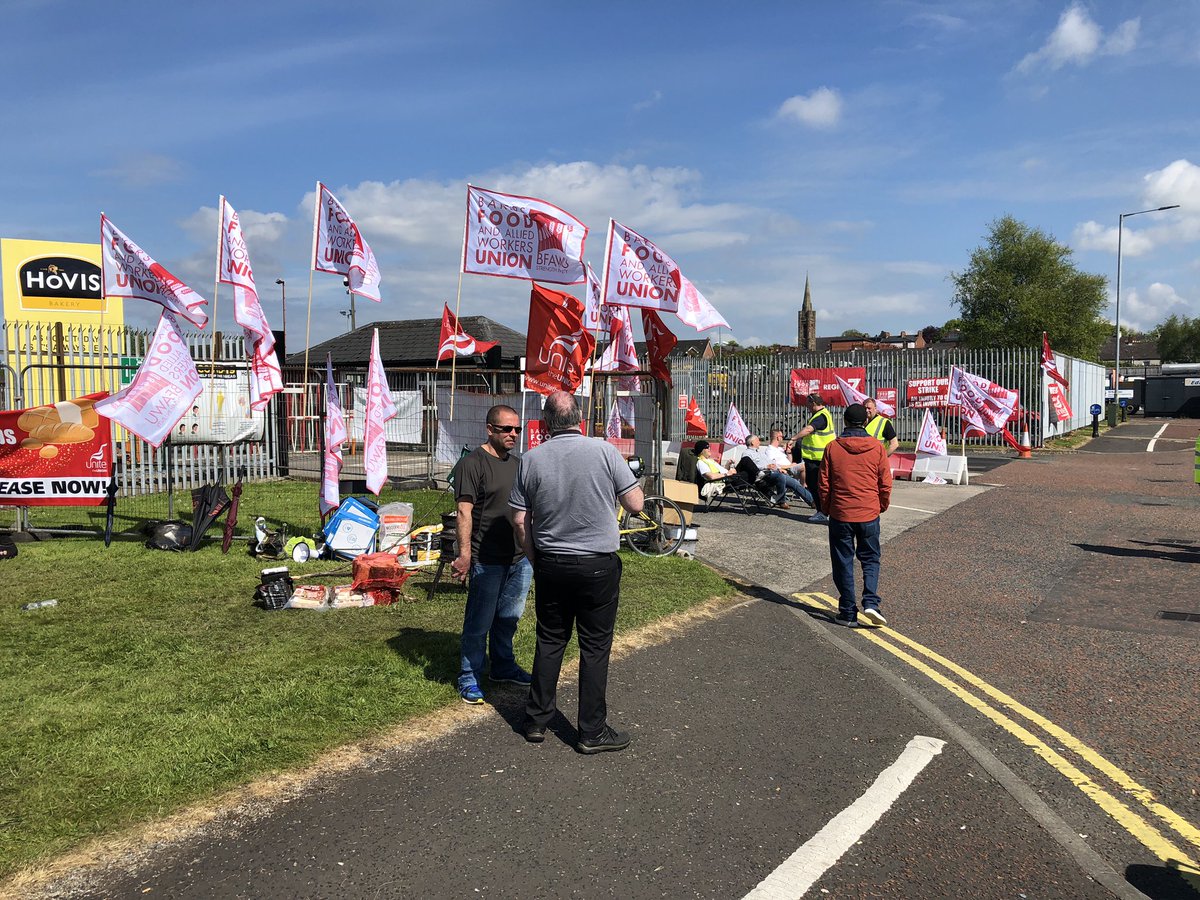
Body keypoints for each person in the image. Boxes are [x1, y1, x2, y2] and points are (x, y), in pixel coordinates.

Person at [510, 391, 644, 753]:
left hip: (552, 562)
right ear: (580, 418)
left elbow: (520, 520)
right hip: (597, 563)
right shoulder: (605, 451)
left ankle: (536, 719)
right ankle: (591, 731)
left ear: (545, 423)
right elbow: (635, 503)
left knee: (550, 639)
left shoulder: (531, 459)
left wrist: (535, 559)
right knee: (595, 646)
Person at [451, 404, 533, 705]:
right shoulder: (472, 464)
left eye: (517, 429)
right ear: (490, 429)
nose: (513, 434)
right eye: (506, 429)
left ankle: (503, 666)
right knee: (479, 623)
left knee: (509, 618)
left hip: (519, 558)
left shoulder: (518, 464)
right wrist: (464, 555)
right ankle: (469, 676)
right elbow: (463, 511)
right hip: (486, 558)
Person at [818, 403, 892, 628]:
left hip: (841, 512)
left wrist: (827, 508)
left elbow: (824, 484)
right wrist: (881, 505)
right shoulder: (877, 447)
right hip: (869, 511)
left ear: (845, 421)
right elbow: (885, 482)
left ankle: (848, 612)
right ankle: (871, 602)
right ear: (865, 422)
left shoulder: (832, 448)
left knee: (843, 561)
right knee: (870, 558)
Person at [790, 393, 835, 523]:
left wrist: (794, 438)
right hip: (819, 457)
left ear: (813, 403)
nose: (807, 407)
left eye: (808, 404)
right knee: (820, 485)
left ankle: (822, 512)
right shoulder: (824, 414)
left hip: (817, 459)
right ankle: (825, 511)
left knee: (816, 486)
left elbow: (809, 429)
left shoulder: (821, 416)